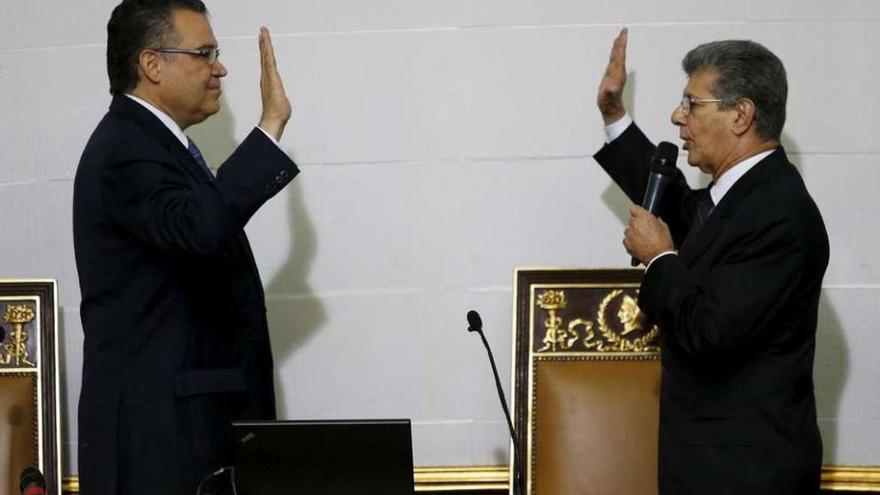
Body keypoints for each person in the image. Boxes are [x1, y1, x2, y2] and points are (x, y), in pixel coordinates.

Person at [72, 0, 296, 493]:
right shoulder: (125, 149)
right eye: (204, 53)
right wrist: (270, 126)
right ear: (152, 64)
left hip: (191, 441)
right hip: (159, 448)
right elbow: (199, 227)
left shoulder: (158, 147)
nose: (220, 68)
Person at [593, 29, 829, 494]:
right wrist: (614, 116)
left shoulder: (780, 213)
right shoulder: (739, 198)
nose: (677, 117)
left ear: (741, 114)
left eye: (691, 104)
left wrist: (660, 257)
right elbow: (682, 207)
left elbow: (710, 331)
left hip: (748, 476)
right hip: (708, 469)